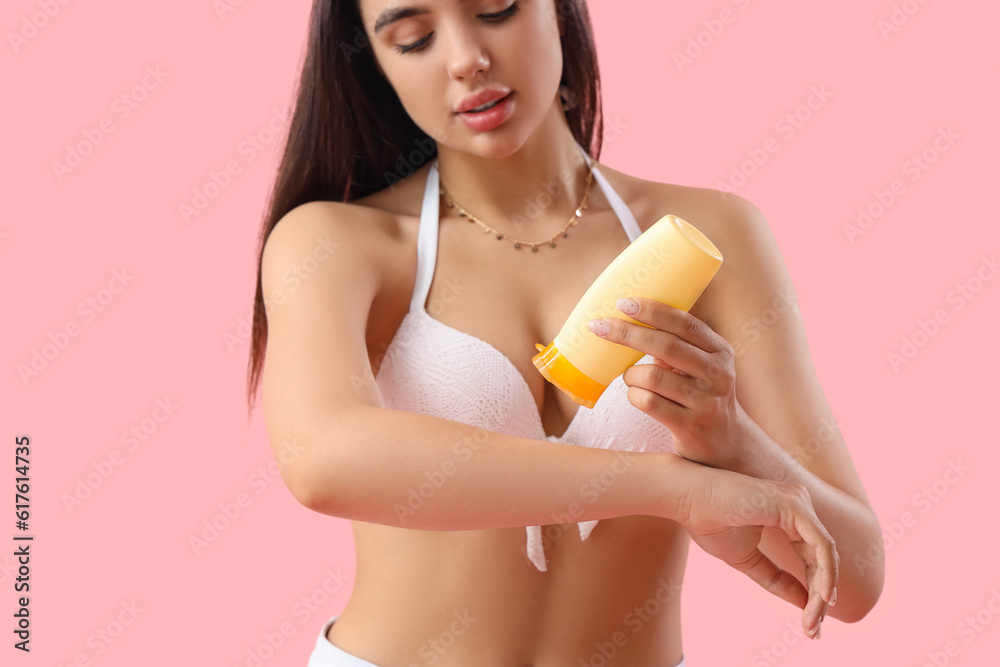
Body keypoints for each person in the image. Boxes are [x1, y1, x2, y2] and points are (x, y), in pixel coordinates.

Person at [245, 1, 884, 664]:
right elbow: (323, 455)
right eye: (415, 39)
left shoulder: (709, 237)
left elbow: (854, 575)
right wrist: (676, 487)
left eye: (495, 9)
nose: (467, 59)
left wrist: (730, 441)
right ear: (375, 64)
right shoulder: (339, 244)